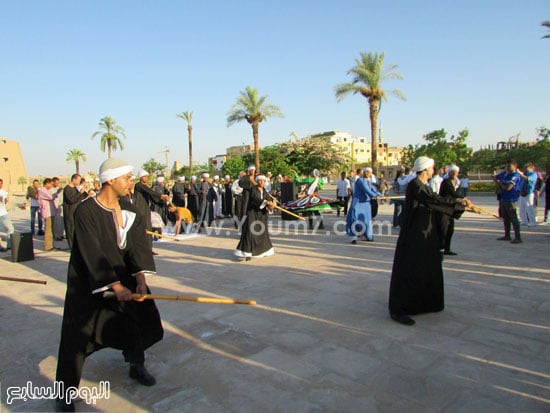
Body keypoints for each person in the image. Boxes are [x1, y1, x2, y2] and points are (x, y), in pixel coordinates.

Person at [55, 158, 163, 412]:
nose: (131, 183)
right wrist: (115, 287)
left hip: (124, 277)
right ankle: (64, 392)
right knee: (77, 336)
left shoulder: (131, 209)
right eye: (127, 178)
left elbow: (137, 248)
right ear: (110, 180)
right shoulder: (86, 211)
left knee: (139, 322)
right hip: (89, 281)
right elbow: (91, 252)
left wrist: (139, 280)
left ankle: (137, 365)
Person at [388, 156, 473, 326]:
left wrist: (458, 201)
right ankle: (400, 309)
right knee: (410, 270)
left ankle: (425, 303)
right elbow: (434, 201)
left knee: (427, 267)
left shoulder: (422, 186)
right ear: (425, 169)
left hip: (423, 234)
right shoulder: (416, 186)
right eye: (432, 168)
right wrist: (459, 204)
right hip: (413, 236)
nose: (433, 171)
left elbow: (435, 198)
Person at [234, 175, 275, 260]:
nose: (261, 182)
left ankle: (262, 251)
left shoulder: (265, 191)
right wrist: (266, 202)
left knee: (262, 233)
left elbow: (268, 200)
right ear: (257, 181)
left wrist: (271, 205)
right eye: (259, 181)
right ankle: (247, 253)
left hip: (261, 215)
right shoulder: (253, 189)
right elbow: (255, 199)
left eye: (263, 181)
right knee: (250, 233)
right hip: (252, 213)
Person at [346, 167, 385, 244]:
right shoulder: (360, 181)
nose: (370, 174)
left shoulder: (368, 181)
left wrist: (381, 195)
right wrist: (374, 196)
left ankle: (368, 236)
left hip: (366, 204)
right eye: (370, 173)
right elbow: (367, 190)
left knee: (367, 221)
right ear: (366, 173)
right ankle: (353, 237)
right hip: (358, 204)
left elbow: (373, 189)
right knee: (355, 219)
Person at [493, 160, 522, 243]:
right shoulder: (505, 174)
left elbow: (508, 187)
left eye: (509, 166)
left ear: (515, 166)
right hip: (503, 198)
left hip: (511, 199)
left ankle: (518, 237)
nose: (507, 168)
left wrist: (500, 184)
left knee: (513, 218)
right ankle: (507, 235)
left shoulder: (515, 175)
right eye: (506, 166)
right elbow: (496, 178)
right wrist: (496, 181)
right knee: (506, 218)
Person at [439, 165, 462, 255]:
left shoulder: (455, 182)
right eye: (453, 172)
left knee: (450, 230)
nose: (455, 174)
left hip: (450, 209)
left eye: (456, 172)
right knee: (443, 230)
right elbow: (452, 193)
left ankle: (447, 248)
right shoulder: (446, 182)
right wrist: (463, 199)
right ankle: (440, 249)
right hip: (444, 209)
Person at [63, 174, 90, 249]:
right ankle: (71, 247)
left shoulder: (75, 189)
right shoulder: (67, 189)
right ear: (73, 179)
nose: (79, 182)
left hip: (75, 212)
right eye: (78, 180)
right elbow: (71, 200)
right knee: (70, 230)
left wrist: (86, 194)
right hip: (70, 213)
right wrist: (80, 193)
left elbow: (80, 198)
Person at [38, 178, 62, 251]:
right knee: (48, 230)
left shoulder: (47, 190)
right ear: (47, 183)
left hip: (51, 212)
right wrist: (57, 192)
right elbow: (51, 197)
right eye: (51, 184)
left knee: (51, 229)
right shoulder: (42, 190)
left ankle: (51, 245)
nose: (52, 185)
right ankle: (48, 246)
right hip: (47, 212)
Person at [518, 163, 537, 227]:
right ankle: (524, 221)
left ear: (531, 167)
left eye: (527, 167)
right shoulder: (524, 174)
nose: (525, 168)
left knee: (529, 208)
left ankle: (533, 222)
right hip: (522, 193)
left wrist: (520, 174)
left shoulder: (533, 174)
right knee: (521, 208)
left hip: (529, 193)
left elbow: (528, 179)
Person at [0, 178, 15, 252]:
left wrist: (5, 200)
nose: (0, 185)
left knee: (10, 229)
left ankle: (9, 245)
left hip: (3, 213)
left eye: (1, 183)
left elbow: (5, 202)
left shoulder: (4, 192)